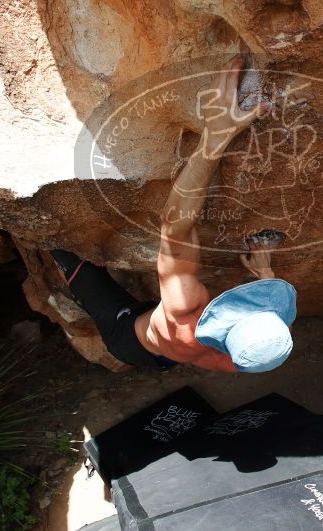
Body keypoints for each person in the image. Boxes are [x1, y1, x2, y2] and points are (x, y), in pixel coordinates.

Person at [51, 56, 296, 373]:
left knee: (72, 261)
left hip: (126, 337)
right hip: (170, 354)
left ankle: (48, 253)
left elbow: (175, 227)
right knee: (178, 345)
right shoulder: (258, 353)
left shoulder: (184, 312)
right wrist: (266, 277)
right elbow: (271, 334)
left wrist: (216, 135)